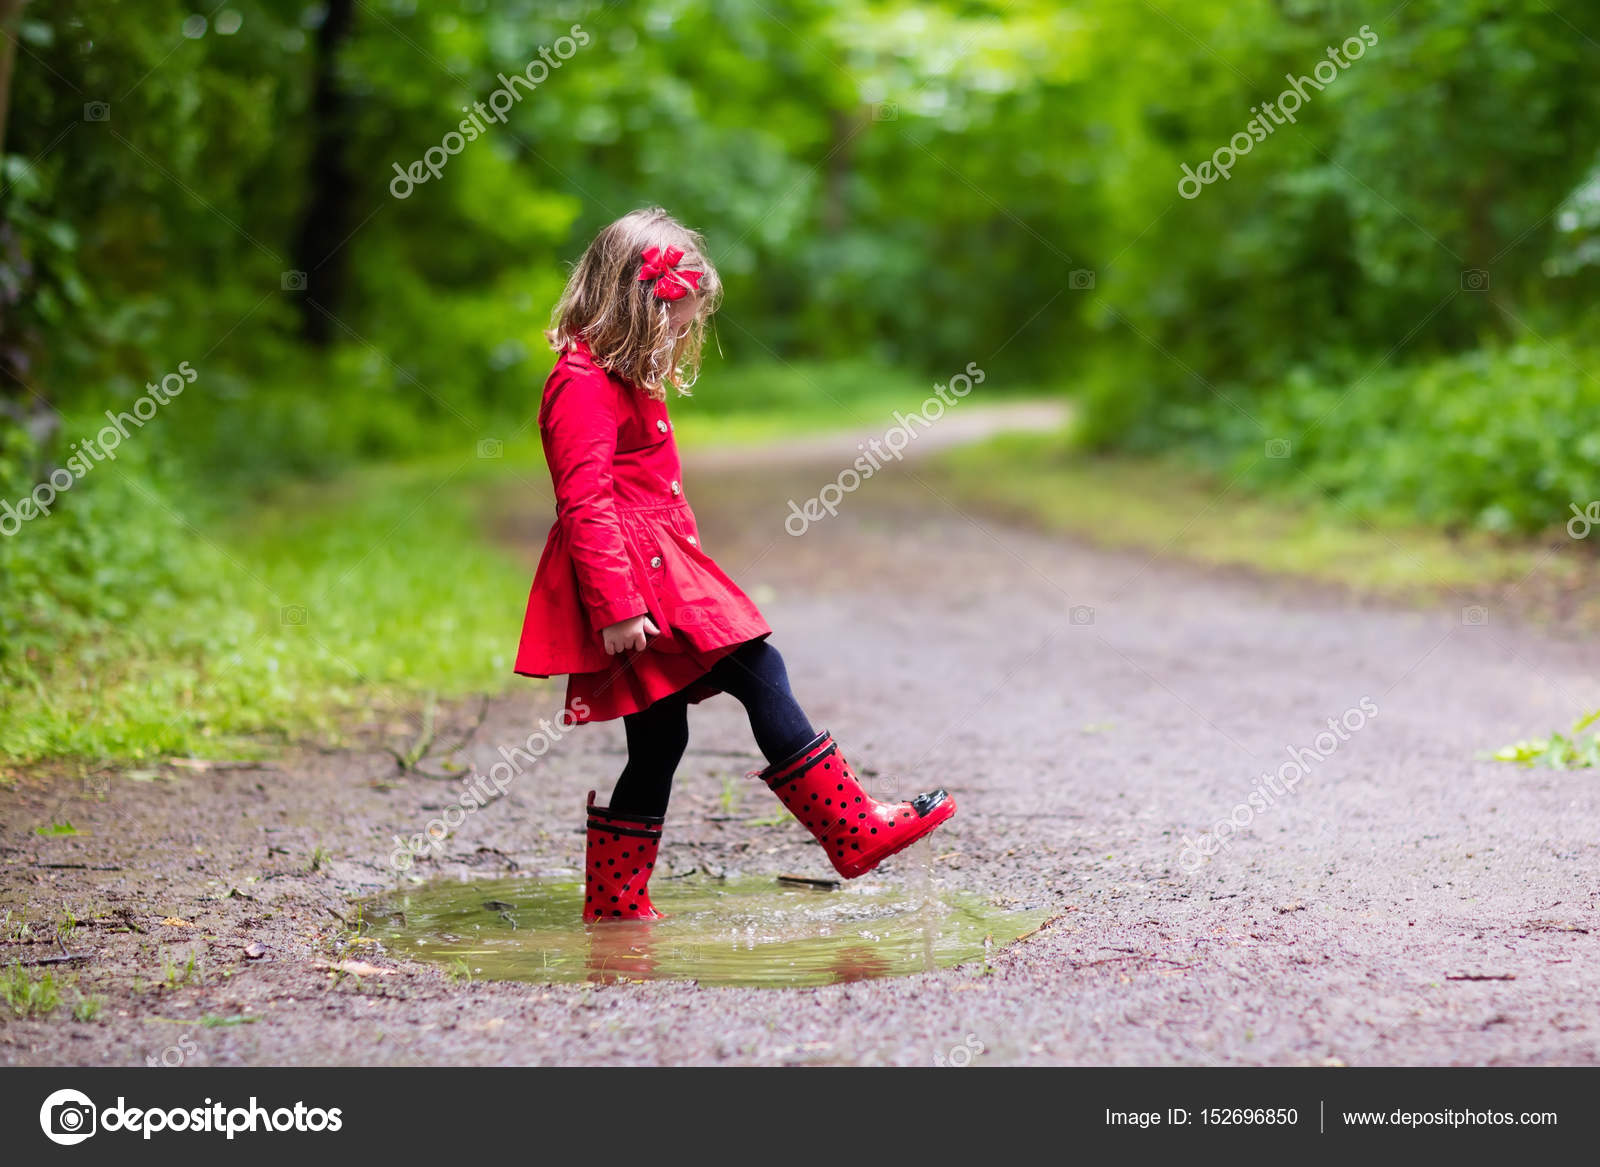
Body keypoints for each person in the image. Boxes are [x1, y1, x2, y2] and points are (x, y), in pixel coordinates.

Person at [515, 207, 955, 921]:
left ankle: (617, 905)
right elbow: (584, 501)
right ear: (634, 306)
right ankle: (853, 829)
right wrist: (617, 606)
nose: (680, 336)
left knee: (659, 740)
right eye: (673, 322)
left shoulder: (618, 376)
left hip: (658, 567)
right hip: (636, 580)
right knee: (759, 669)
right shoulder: (582, 382)